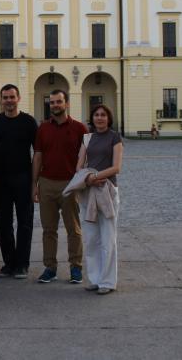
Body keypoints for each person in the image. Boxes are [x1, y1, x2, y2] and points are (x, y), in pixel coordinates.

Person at [32, 90, 88, 284]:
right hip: (47, 183)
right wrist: (34, 184)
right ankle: (50, 267)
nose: (55, 105)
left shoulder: (80, 128)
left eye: (59, 101)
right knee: (49, 229)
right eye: (52, 102)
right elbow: (37, 156)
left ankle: (76, 267)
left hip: (70, 184)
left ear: (67, 103)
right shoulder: (43, 128)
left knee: (73, 228)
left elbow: (87, 157)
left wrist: (82, 182)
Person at [0, 84, 38, 279]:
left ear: (18, 98)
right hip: (1, 181)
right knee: (4, 223)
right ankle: (9, 263)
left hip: (23, 178)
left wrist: (35, 182)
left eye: (12, 97)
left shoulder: (28, 122)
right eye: (5, 97)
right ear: (1, 100)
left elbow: (38, 153)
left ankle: (22, 264)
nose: (9, 101)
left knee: (25, 223)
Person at [76, 104, 123, 295]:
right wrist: (88, 179)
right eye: (96, 115)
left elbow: (116, 167)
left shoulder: (115, 137)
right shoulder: (87, 138)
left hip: (107, 190)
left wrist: (95, 177)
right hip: (89, 191)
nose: (100, 118)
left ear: (108, 118)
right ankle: (95, 279)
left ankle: (108, 281)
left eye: (103, 115)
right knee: (91, 238)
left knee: (108, 237)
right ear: (92, 118)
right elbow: (79, 166)